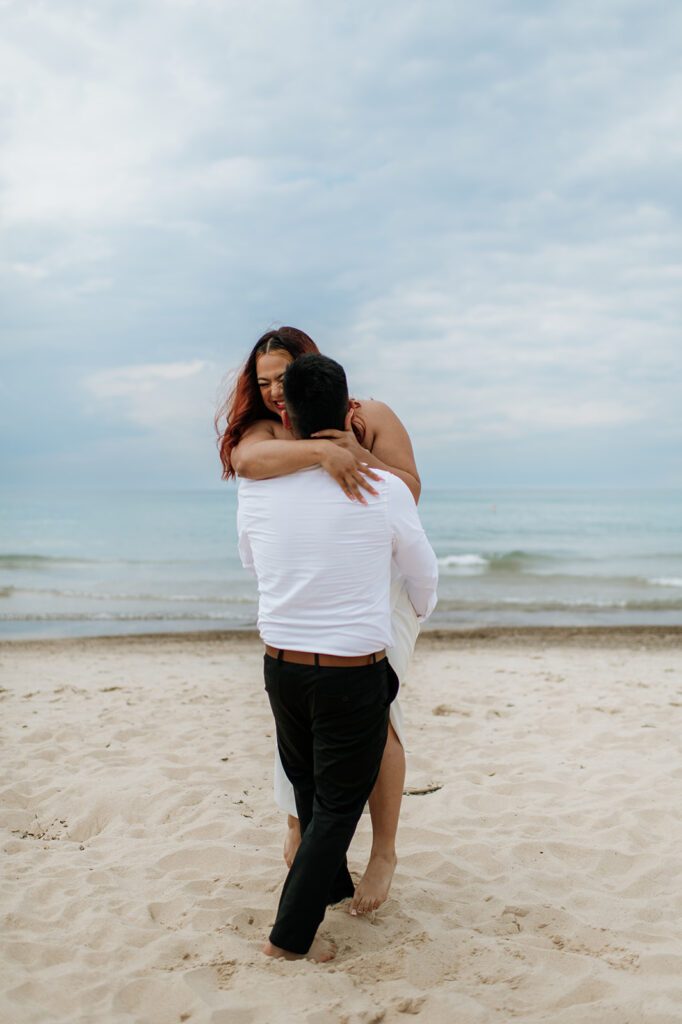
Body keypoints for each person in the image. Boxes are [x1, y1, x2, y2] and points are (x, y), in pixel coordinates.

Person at [237, 353, 438, 961]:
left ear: (287, 415)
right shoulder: (383, 489)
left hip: (280, 662)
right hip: (351, 669)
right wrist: (412, 612)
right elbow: (422, 575)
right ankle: (288, 942)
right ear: (348, 411)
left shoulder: (256, 487)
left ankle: (327, 891)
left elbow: (252, 561)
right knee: (335, 810)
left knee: (306, 788)